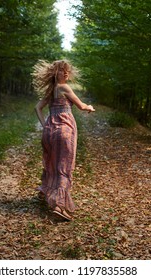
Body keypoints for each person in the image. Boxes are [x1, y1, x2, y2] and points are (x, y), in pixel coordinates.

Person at [32, 60, 95, 221]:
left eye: (67, 71)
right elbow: (81, 106)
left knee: (51, 162)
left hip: (49, 132)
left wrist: (44, 123)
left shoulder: (51, 90)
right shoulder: (65, 88)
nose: (66, 73)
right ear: (55, 73)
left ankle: (44, 191)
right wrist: (90, 107)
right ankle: (59, 206)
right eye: (62, 70)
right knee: (64, 167)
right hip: (64, 131)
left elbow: (37, 107)